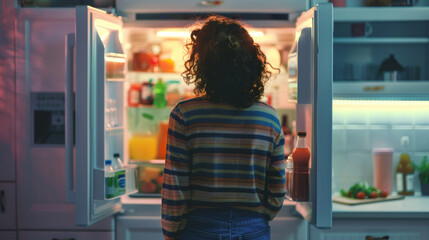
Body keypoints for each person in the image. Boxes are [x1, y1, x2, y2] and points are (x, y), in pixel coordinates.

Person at [161, 15, 286, 240]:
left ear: (202, 66)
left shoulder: (184, 114)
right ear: (251, 63)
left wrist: (171, 231)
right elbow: (277, 185)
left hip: (199, 227)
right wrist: (257, 218)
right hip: (253, 227)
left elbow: (176, 184)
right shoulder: (269, 117)